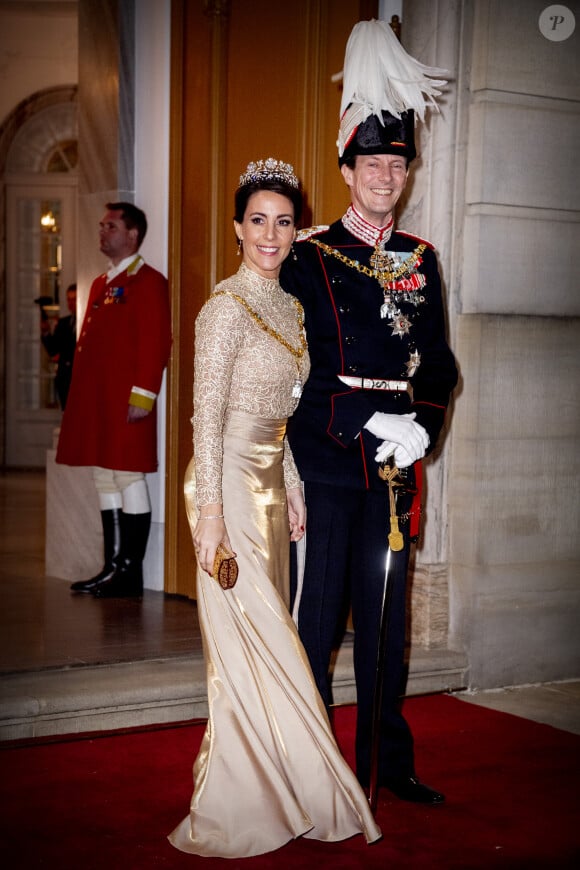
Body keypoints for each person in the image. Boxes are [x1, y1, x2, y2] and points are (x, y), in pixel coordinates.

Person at [168, 158, 381, 859]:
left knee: (271, 643)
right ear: (237, 228)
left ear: (296, 231)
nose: (270, 232)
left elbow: (281, 420)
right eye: (257, 219)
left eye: (283, 221)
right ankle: (251, 795)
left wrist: (289, 485)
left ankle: (287, 785)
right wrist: (208, 517)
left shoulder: (290, 305)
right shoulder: (222, 309)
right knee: (258, 646)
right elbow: (206, 417)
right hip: (224, 485)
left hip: (266, 485)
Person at [280, 20, 458, 805]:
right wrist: (362, 419)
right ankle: (316, 774)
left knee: (387, 627)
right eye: (372, 162)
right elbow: (292, 373)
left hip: (394, 469)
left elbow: (442, 361)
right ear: (347, 166)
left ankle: (387, 766)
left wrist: (422, 424)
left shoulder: (421, 259)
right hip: (327, 461)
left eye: (397, 164)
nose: (386, 175)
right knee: (319, 623)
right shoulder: (309, 257)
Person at [56, 202, 172, 598]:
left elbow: (156, 341)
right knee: (103, 475)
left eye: (111, 226)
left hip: (127, 399)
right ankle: (113, 566)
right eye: (101, 225)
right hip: (99, 400)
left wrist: (143, 396)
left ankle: (129, 571)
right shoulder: (104, 282)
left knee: (126, 475)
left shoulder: (149, 281)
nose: (102, 232)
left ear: (133, 234)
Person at [40, 282, 77, 409]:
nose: (71, 303)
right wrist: (45, 332)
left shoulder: (87, 321)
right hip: (64, 378)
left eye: (74, 299)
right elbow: (53, 349)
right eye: (69, 299)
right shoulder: (63, 323)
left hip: (80, 378)